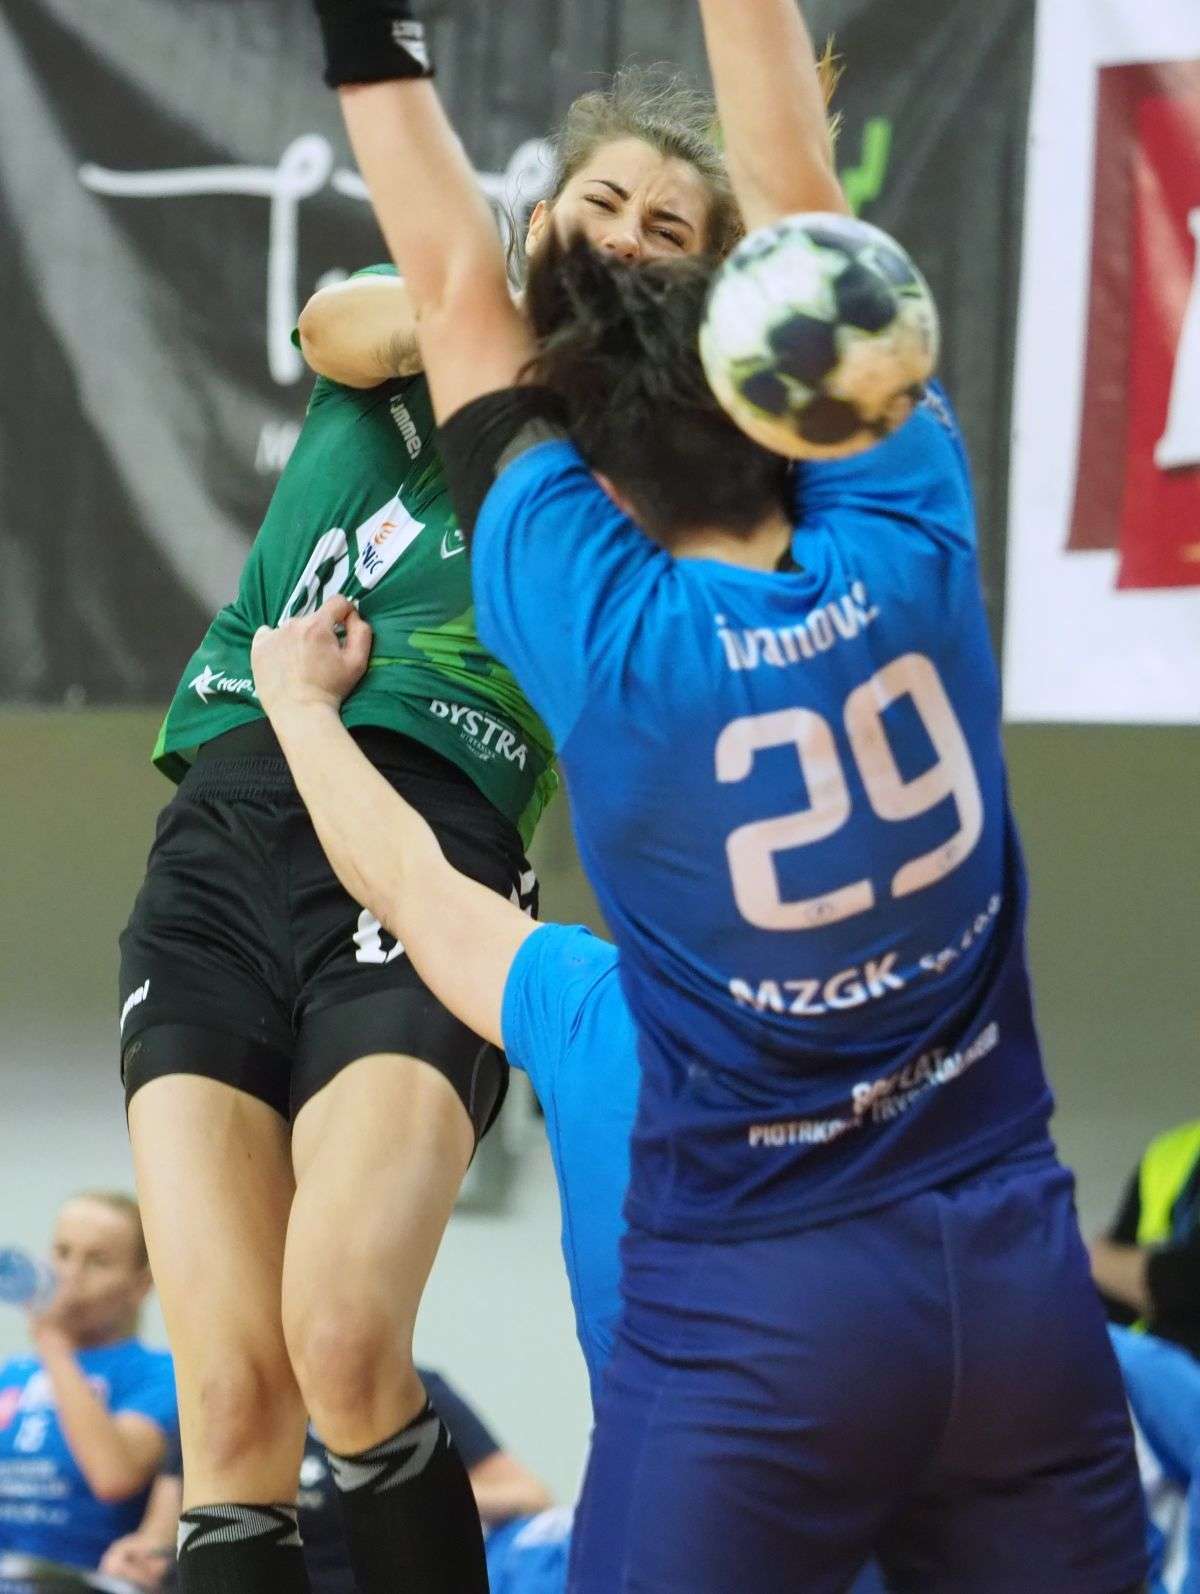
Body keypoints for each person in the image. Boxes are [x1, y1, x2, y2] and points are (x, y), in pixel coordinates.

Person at [314, 0, 1148, 1587]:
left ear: (594, 474)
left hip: (765, 1313)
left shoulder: (601, 630)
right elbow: (793, 183)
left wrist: (366, 34)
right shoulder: (910, 525)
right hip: (1012, 1278)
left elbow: (452, 288)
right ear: (793, 392)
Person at [118, 18, 756, 1593]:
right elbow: (337, 323)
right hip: (225, 819)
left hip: (429, 837)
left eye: (668, 230)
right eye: (603, 206)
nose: (628, 238)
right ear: (538, 222)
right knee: (229, 1405)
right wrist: (487, 317)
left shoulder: (660, 463)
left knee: (341, 1340)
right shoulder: (414, 319)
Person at [104, 1367, 551, 1594]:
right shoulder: (217, 1395)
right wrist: (139, 1555)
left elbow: (529, 1495)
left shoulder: (406, 1386)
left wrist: (389, 1484)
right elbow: (158, 1532)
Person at [0, 1195, 176, 1580]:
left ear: (141, 1284)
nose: (69, 1274)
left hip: (84, 1578)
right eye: (62, 1253)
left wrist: (52, 1342)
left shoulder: (159, 1373)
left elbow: (113, 1476)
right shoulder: (13, 1373)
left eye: (97, 1261)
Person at [1092, 1119, 1200, 1360]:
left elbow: (1189, 1281)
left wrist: (1108, 1263)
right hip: (1158, 1370)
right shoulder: (1172, 1152)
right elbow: (1105, 1297)